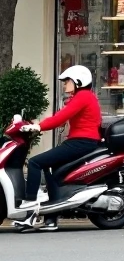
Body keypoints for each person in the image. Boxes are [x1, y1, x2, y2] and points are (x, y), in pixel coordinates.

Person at [21, 65, 102, 231]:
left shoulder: (83, 96)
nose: (64, 85)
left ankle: (29, 213)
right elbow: (61, 116)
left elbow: (60, 118)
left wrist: (39, 127)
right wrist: (36, 123)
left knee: (35, 163)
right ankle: (51, 219)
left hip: (81, 142)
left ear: (78, 81)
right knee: (53, 171)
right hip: (81, 141)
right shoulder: (83, 97)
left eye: (67, 81)